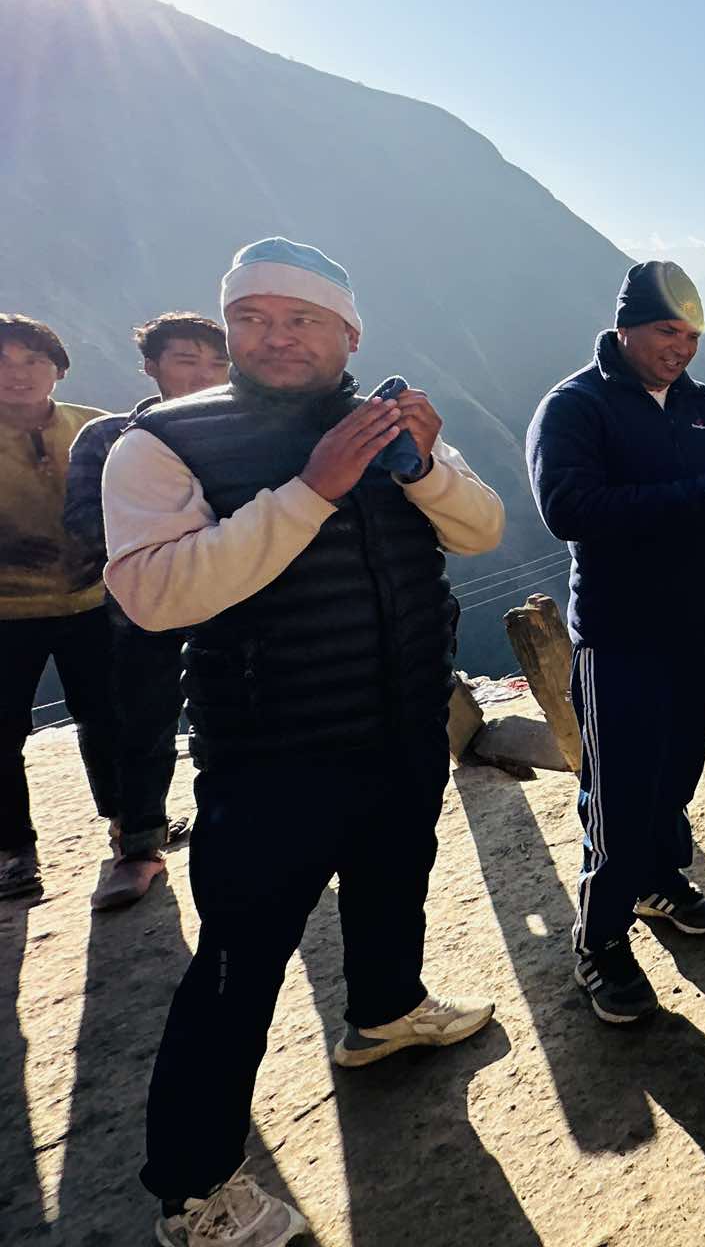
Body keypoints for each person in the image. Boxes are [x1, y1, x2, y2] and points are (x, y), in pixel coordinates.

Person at [101, 238, 506, 1246]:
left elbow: (484, 529)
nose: (276, 338)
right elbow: (153, 595)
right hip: (270, 749)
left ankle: (383, 1014)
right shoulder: (166, 442)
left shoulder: (391, 420)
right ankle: (194, 1196)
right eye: (254, 319)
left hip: (403, 724)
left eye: (303, 319)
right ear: (227, 326)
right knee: (238, 969)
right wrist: (313, 490)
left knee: (392, 882)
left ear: (349, 334)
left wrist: (421, 468)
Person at [527, 260, 705, 1026]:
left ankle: (659, 880)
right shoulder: (576, 407)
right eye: (667, 331)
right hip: (621, 636)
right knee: (618, 796)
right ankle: (600, 940)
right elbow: (569, 508)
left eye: (692, 334)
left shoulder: (702, 405)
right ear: (626, 326)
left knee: (675, 774)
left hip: (699, 627)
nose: (681, 348)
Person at [63, 312, 231, 909]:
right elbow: (84, 521)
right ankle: (138, 849)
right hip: (145, 607)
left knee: (242, 717)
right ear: (152, 366)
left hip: (234, 603)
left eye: (218, 363)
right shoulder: (109, 438)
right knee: (142, 725)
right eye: (187, 360)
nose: (205, 375)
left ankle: (247, 831)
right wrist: (184, 545)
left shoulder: (246, 430)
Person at [0, 313, 116, 900]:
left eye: (32, 361)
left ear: (59, 370)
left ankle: (127, 824)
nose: (16, 374)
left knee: (107, 716)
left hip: (93, 596)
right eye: (3, 361)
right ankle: (13, 849)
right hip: (6, 610)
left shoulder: (93, 429)